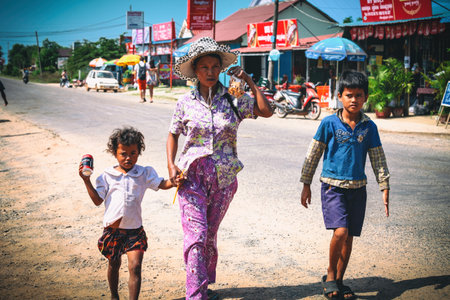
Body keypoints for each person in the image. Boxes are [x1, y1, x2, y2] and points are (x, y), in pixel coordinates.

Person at [167, 37, 273, 300]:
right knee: (197, 234)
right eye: (204, 67)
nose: (211, 72)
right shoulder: (184, 103)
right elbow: (172, 134)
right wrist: (171, 165)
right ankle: (196, 295)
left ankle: (202, 280)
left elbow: (266, 111)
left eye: (215, 66)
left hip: (224, 178)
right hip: (190, 176)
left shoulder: (234, 98)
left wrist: (248, 81)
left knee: (209, 234)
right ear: (195, 71)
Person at [299, 70, 390, 300]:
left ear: (365, 97)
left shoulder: (369, 127)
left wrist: (384, 185)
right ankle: (330, 275)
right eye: (349, 95)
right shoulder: (329, 123)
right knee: (340, 232)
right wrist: (306, 183)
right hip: (332, 187)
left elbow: (377, 157)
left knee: (349, 237)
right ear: (340, 96)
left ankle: (339, 280)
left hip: (358, 189)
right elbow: (313, 153)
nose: (354, 100)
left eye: (359, 95)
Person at [79, 126, 175, 300]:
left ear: (139, 152)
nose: (128, 158)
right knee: (114, 265)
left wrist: (174, 181)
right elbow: (97, 200)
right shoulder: (106, 176)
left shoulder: (143, 173)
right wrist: (86, 181)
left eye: (133, 153)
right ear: (115, 153)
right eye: (123, 153)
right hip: (113, 231)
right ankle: (114, 296)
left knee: (135, 267)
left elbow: (162, 184)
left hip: (135, 231)